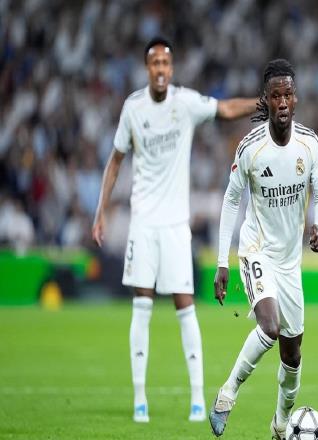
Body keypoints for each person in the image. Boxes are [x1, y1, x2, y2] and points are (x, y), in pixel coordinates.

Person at [91, 36, 257, 424]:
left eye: (166, 63)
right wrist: (101, 212)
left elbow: (225, 109)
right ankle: (139, 400)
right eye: (155, 63)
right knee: (142, 307)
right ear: (147, 68)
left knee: (186, 306)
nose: (161, 69)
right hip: (143, 223)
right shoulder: (133, 108)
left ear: (172, 68)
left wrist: (262, 103)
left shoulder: (186, 103)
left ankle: (198, 399)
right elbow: (115, 161)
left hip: (176, 226)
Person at [208, 59, 318, 439]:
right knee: (270, 327)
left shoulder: (309, 144)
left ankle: (280, 424)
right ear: (266, 99)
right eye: (275, 96)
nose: (282, 102)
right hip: (256, 249)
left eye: (288, 95)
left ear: (296, 99)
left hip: (290, 262)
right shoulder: (250, 148)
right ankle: (227, 393)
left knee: (292, 359)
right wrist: (222, 262)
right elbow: (231, 200)